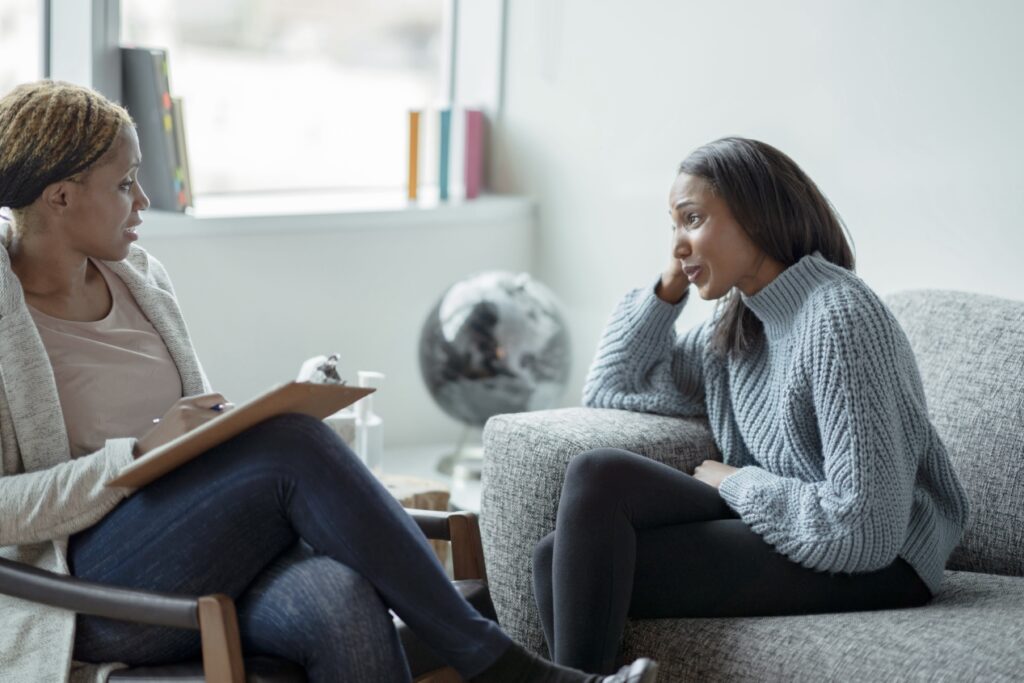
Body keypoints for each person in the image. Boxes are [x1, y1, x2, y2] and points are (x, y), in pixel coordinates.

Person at [0, 80, 659, 683]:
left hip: (201, 548)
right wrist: (136, 455)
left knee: (338, 601)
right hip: (88, 587)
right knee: (288, 443)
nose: (142, 201)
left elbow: (187, 425)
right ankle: (508, 669)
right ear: (60, 196)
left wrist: (252, 410)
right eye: (124, 184)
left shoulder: (140, 277)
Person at [531, 137, 971, 674]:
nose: (677, 244)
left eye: (691, 219)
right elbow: (613, 386)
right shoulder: (741, 327)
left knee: (575, 541)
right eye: (672, 226)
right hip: (794, 522)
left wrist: (734, 482)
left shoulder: (839, 316)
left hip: (883, 560)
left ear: (755, 214)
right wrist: (669, 288)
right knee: (577, 516)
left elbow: (864, 531)